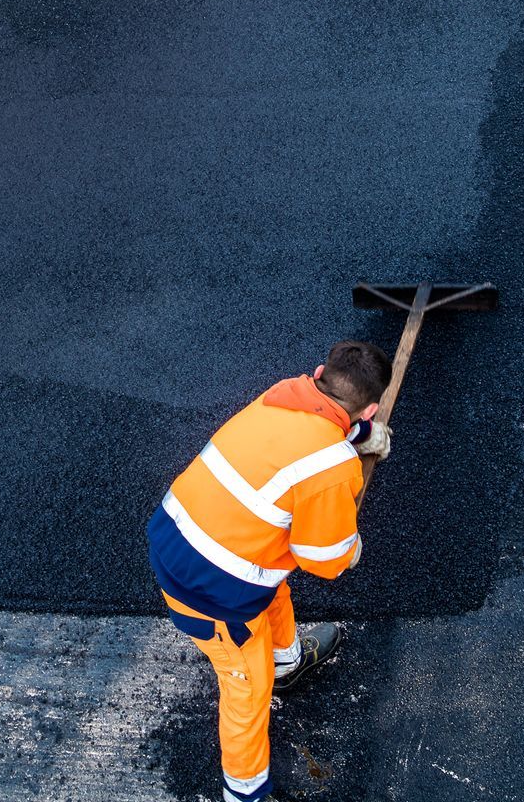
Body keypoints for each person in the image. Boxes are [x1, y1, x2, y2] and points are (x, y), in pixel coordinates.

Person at [147, 341, 393, 802]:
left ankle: (288, 664)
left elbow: (305, 439)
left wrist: (357, 436)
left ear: (319, 374)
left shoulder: (279, 396)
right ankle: (245, 792)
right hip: (208, 589)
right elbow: (323, 559)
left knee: (273, 582)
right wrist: (351, 546)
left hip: (181, 534)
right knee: (245, 689)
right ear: (373, 407)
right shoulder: (332, 469)